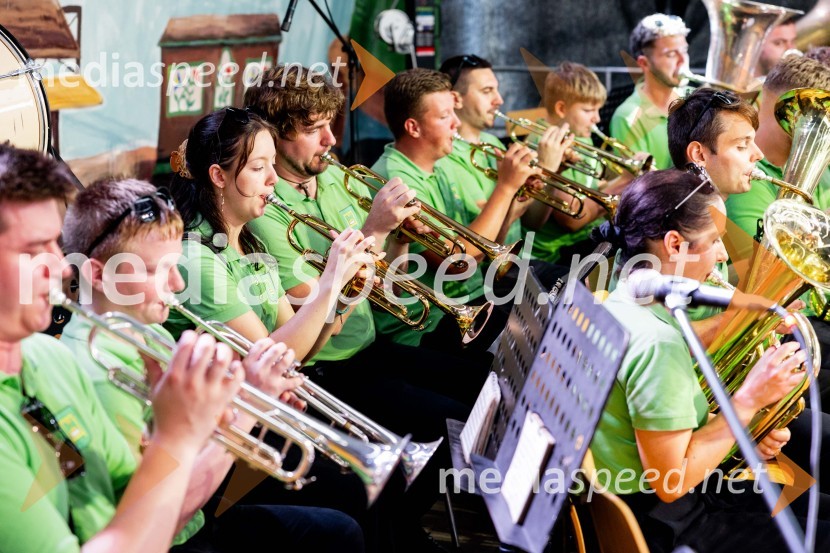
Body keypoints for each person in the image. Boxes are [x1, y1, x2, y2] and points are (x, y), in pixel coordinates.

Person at [172, 99, 470, 552]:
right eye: (259, 168)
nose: (273, 180)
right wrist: (333, 279)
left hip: (274, 406)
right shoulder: (198, 258)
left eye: (273, 165)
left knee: (382, 483)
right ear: (218, 177)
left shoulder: (249, 243)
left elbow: (303, 345)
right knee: (362, 491)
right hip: (230, 437)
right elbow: (276, 357)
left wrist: (349, 288)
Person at [60, 177, 366, 552]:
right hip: (177, 538)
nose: (176, 283)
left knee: (340, 522)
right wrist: (251, 406)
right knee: (339, 531)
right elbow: (161, 520)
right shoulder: (98, 371)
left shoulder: (142, 330)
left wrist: (238, 399)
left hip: (200, 516)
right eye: (158, 270)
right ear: (97, 274)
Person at [0, 143, 243, 552]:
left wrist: (202, 421)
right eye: (31, 250)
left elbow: (130, 486)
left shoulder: (50, 358)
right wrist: (178, 436)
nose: (61, 268)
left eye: (53, 247)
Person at [590, 168, 830, 553]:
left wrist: (749, 430)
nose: (722, 254)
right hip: (674, 523)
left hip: (677, 498)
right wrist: (749, 400)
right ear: (674, 243)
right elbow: (671, 483)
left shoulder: (619, 297)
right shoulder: (658, 342)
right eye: (715, 240)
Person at [370, 67, 546, 350]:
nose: (455, 123)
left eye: (453, 112)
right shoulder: (397, 179)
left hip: (469, 298)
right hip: (425, 326)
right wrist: (505, 187)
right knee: (538, 340)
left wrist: (515, 200)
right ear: (413, 128)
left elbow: (483, 247)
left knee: (553, 315)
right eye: (444, 116)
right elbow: (457, 264)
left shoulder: (438, 164)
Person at [522, 61, 636, 264]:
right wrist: (623, 182)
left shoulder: (580, 135)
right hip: (553, 254)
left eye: (598, 109)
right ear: (561, 108)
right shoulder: (543, 144)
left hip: (583, 240)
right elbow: (572, 218)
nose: (597, 118)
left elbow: (595, 185)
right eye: (588, 110)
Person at [611, 13, 691, 170]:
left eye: (684, 50)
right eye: (671, 54)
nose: (683, 61)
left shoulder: (694, 96)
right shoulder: (627, 117)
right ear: (644, 63)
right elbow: (643, 187)